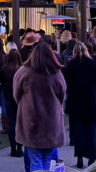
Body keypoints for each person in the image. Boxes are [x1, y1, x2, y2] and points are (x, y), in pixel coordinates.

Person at [14, 43, 65, 172]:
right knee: (46, 160)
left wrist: (26, 104)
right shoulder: (56, 72)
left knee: (35, 160)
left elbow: (16, 94)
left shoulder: (23, 72)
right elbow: (62, 93)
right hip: (51, 122)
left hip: (31, 121)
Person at [64, 42, 96, 168]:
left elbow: (67, 81)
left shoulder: (71, 65)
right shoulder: (94, 64)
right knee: (91, 132)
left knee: (78, 132)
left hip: (76, 100)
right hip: (91, 100)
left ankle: (79, 157)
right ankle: (91, 157)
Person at [0, 48, 23, 158]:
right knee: (20, 124)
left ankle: (13, 147)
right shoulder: (22, 69)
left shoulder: (4, 69)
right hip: (21, 100)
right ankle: (19, 146)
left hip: (9, 98)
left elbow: (2, 83)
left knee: (12, 123)